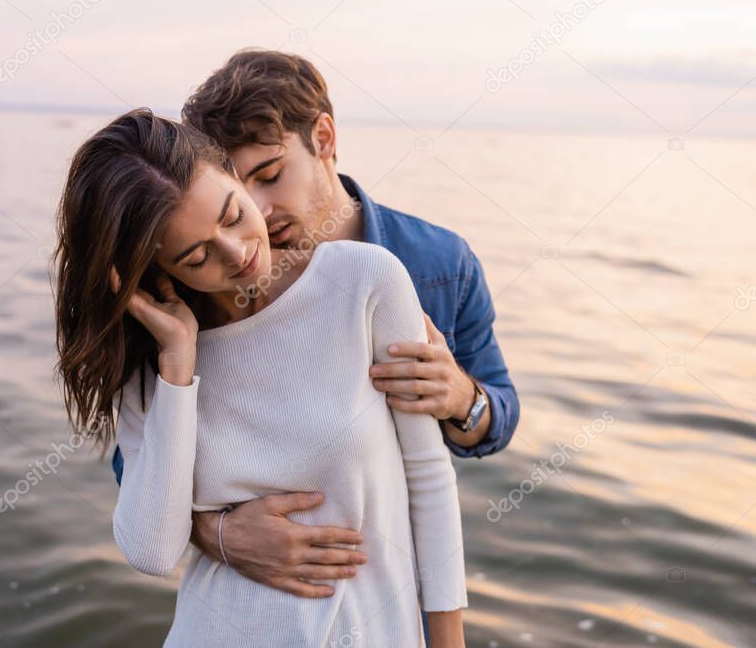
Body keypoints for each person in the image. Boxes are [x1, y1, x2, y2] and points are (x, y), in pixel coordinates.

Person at [111, 50, 520, 612]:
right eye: (236, 189)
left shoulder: (438, 263)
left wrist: (461, 398)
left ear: (324, 137)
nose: (257, 210)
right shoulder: (202, 285)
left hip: (397, 589)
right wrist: (218, 535)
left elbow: (498, 417)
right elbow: (137, 465)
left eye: (271, 175)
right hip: (254, 606)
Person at [54, 109, 468, 646]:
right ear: (158, 273)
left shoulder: (364, 280)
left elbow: (428, 475)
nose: (238, 252)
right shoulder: (153, 368)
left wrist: (448, 638)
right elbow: (152, 551)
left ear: (233, 174)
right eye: (197, 255)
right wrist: (179, 362)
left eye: (232, 215)